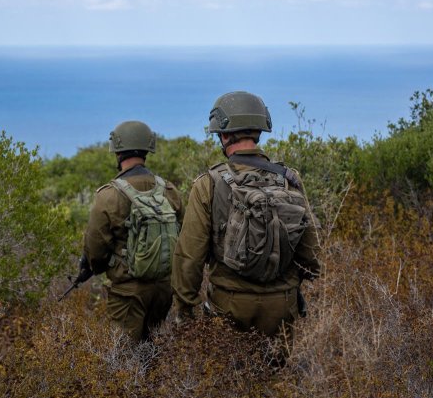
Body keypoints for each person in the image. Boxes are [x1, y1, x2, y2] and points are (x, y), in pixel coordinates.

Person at [171, 91, 321, 340]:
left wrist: (185, 310)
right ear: (258, 131)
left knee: (229, 376)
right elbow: (311, 254)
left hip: (229, 304)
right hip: (282, 304)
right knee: (276, 377)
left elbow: (190, 256)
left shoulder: (208, 183)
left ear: (225, 135)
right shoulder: (289, 179)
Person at [81, 120, 183, 342]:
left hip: (128, 292)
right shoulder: (169, 189)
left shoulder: (108, 195)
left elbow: (95, 250)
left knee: (122, 362)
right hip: (164, 289)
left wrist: (93, 267)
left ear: (118, 151)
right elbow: (182, 236)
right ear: (148, 149)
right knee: (152, 350)